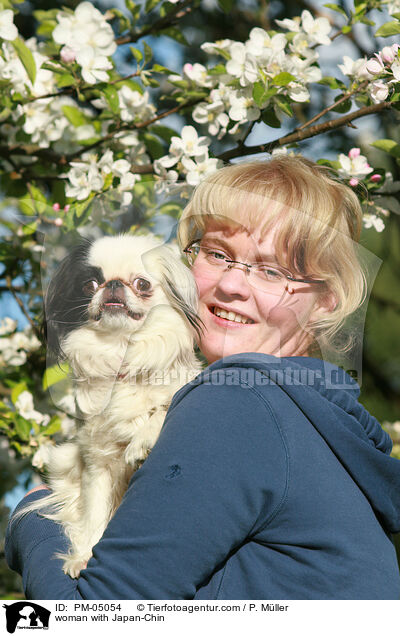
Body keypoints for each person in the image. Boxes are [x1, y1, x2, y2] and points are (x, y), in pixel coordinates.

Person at [5, 156, 400, 599]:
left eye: (272, 271)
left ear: (327, 301)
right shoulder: (318, 420)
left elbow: (85, 620)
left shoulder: (237, 401)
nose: (232, 285)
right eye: (217, 254)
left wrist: (31, 518)